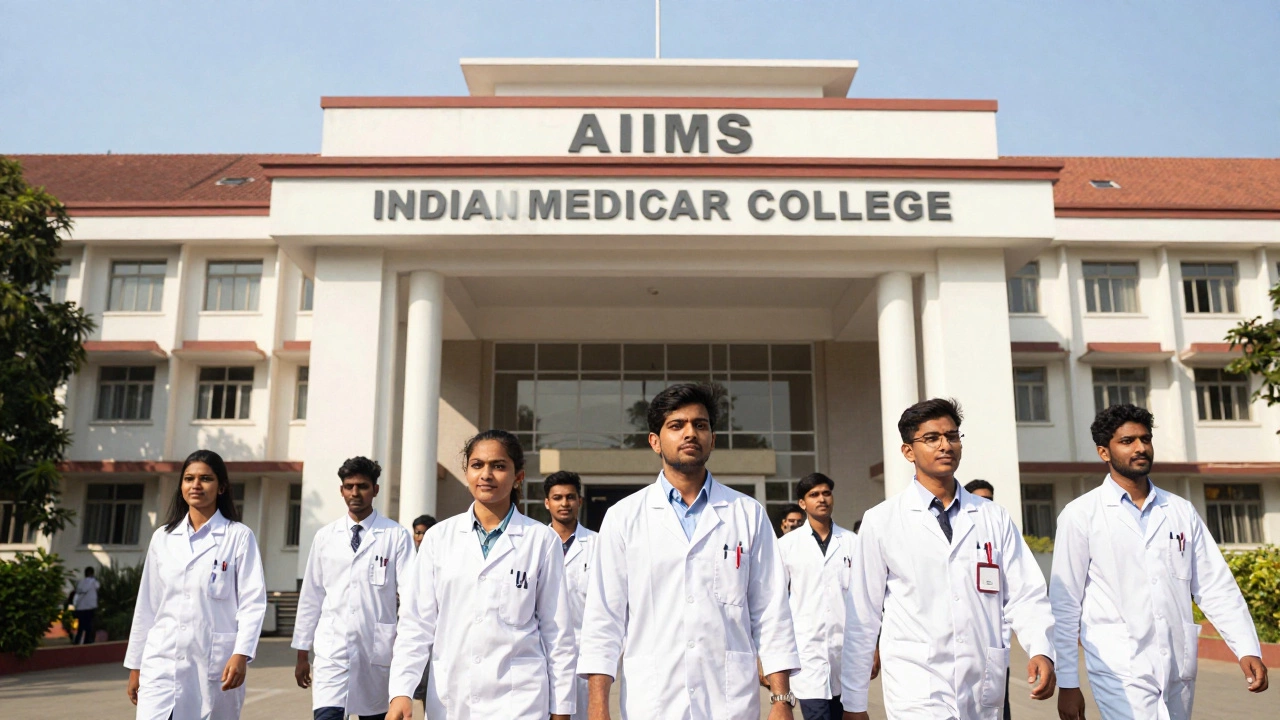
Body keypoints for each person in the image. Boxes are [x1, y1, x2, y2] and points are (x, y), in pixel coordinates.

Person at [579, 383, 800, 720]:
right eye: (676, 425)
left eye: (700, 425)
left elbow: (771, 609)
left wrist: (781, 698)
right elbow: (604, 617)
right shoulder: (624, 517)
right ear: (655, 441)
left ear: (712, 438)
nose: (690, 433)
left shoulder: (747, 512)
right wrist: (597, 705)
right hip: (653, 701)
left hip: (729, 700)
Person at [840, 398, 1057, 720]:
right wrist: (854, 702)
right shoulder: (882, 520)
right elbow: (863, 615)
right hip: (916, 685)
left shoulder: (993, 517)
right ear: (908, 451)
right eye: (932, 438)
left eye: (952, 436)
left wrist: (1040, 648)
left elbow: (1026, 593)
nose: (946, 445)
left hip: (981, 681)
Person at [1052, 404, 1269, 720]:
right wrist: (1068, 682)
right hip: (1118, 665)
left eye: (1145, 439)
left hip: (1177, 665)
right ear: (1104, 452)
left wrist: (1246, 647)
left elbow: (1214, 586)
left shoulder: (1180, 511)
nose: (1140, 448)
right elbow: (1065, 603)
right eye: (1127, 441)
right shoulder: (1081, 515)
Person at [387, 429, 577, 720]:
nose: (486, 474)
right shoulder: (439, 538)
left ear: (518, 477)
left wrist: (561, 709)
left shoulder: (541, 540)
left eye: (498, 466)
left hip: (520, 700)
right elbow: (416, 623)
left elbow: (557, 633)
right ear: (466, 472)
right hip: (453, 699)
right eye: (477, 465)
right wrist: (402, 690)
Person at [124, 449, 267, 720]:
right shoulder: (163, 538)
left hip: (214, 662)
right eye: (189, 478)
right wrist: (136, 666)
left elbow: (253, 602)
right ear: (181, 486)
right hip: (161, 663)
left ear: (222, 487)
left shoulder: (238, 536)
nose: (196, 485)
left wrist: (241, 653)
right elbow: (147, 605)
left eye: (206, 479)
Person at [293, 457, 413, 720]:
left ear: (375, 490)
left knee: (375, 714)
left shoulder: (396, 536)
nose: (355, 493)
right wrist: (302, 654)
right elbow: (312, 596)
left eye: (362, 486)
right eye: (349, 486)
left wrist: (407, 654)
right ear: (341, 490)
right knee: (327, 714)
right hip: (331, 654)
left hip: (377, 654)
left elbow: (412, 599)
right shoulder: (325, 537)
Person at [778, 473, 862, 720]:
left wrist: (874, 647)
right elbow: (777, 603)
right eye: (814, 495)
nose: (822, 499)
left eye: (826, 493)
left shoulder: (852, 542)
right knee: (816, 715)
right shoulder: (787, 545)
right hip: (807, 653)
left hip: (846, 653)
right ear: (803, 504)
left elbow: (865, 600)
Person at [543, 470, 598, 720]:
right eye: (557, 498)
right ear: (547, 502)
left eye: (570, 497)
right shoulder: (534, 544)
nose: (564, 503)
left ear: (580, 501)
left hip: (583, 657)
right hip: (539, 655)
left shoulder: (599, 545)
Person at [408, 513, 437, 712]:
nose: (420, 537)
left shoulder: (439, 557)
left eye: (425, 533)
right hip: (411, 626)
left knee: (430, 685)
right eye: (418, 533)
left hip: (434, 629)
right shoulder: (408, 559)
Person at [68, 566, 100, 645]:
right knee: (89, 626)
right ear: (92, 573)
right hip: (90, 607)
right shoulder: (94, 582)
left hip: (80, 607)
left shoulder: (80, 582)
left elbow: (78, 590)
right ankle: (87, 641)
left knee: (81, 626)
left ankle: (77, 641)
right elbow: (98, 586)